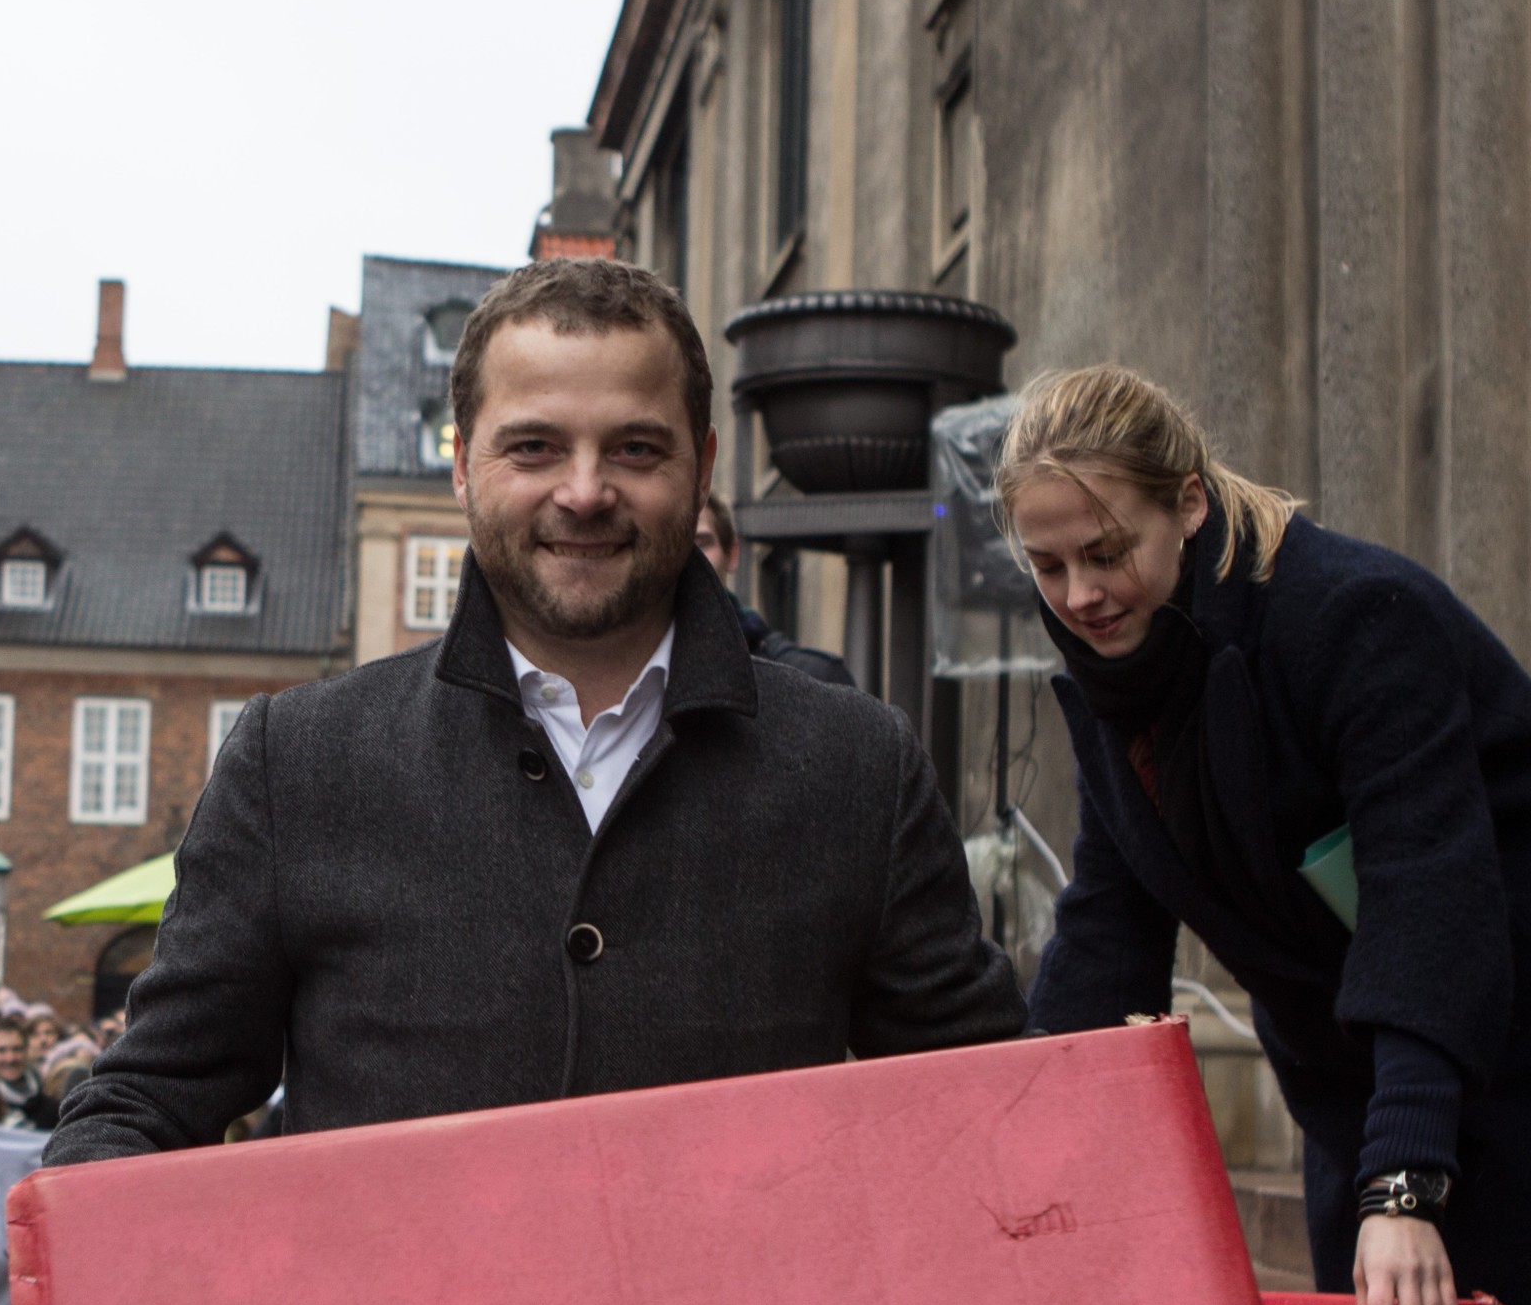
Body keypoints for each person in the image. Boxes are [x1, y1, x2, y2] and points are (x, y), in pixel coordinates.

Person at [50, 257, 1024, 1166]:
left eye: (635, 448)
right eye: (535, 448)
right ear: (462, 462)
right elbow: (146, 1102)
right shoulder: (297, 762)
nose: (585, 490)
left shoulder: (854, 766)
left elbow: (990, 1111)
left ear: (702, 465)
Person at [997, 365, 1531, 1305]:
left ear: (1185, 504)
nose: (1079, 594)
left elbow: (1429, 893)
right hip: (1365, 1054)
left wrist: (1403, 1187)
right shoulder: (1106, 673)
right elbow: (1110, 917)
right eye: (1047, 564)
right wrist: (1024, 1163)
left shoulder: (1351, 616)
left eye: (1105, 551)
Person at [694, 494, 855, 685]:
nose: (687, 559)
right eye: (675, 545)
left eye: (700, 544)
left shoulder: (811, 677)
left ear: (732, 553)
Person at [0, 1021, 38, 1124]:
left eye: (17, 1049)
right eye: (1, 1050)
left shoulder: (50, 1106)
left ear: (27, 1051)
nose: (10, 1058)